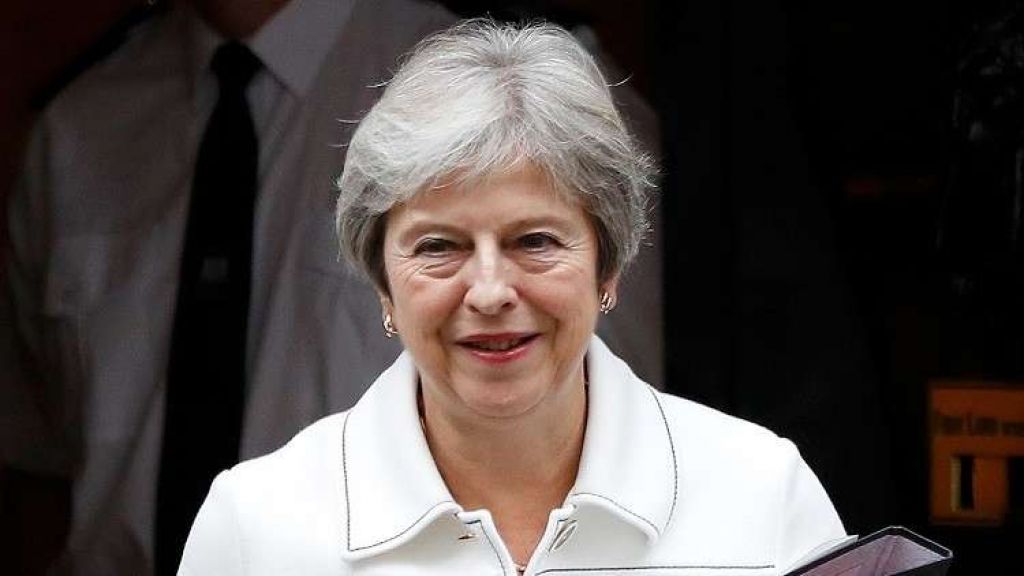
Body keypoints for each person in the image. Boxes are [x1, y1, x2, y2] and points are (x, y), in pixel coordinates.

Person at [178, 19, 845, 575]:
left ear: (608, 268)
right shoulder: (256, 527)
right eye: (439, 247)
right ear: (382, 283)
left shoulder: (764, 495)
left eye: (534, 241)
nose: (491, 291)